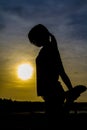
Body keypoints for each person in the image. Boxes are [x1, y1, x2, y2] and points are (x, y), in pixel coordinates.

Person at [28, 24, 73, 126]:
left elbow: (61, 72)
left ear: (39, 36)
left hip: (53, 93)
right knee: (55, 122)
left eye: (33, 40)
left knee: (54, 123)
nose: (34, 43)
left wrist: (71, 91)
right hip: (51, 93)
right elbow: (61, 72)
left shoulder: (50, 50)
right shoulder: (48, 49)